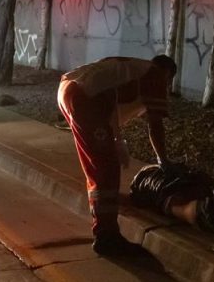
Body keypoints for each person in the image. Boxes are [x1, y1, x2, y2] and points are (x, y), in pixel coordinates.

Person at [57, 54, 177, 256]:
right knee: (106, 168)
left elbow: (109, 100)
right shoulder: (155, 75)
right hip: (86, 99)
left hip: (69, 90)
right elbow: (155, 125)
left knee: (98, 165)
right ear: (168, 74)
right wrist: (163, 161)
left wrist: (117, 140)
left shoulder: (131, 67)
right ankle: (106, 236)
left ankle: (105, 229)